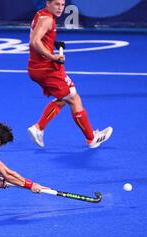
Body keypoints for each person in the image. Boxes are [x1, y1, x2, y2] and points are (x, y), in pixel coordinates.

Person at [27, 0, 113, 149]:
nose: (60, 8)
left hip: (38, 67)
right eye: (56, 4)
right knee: (74, 99)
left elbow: (37, 38)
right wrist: (53, 56)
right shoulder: (47, 19)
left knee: (65, 97)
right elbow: (34, 42)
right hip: (46, 69)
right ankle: (91, 139)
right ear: (48, 3)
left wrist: (51, 45)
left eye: (62, 4)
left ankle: (39, 128)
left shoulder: (40, 15)